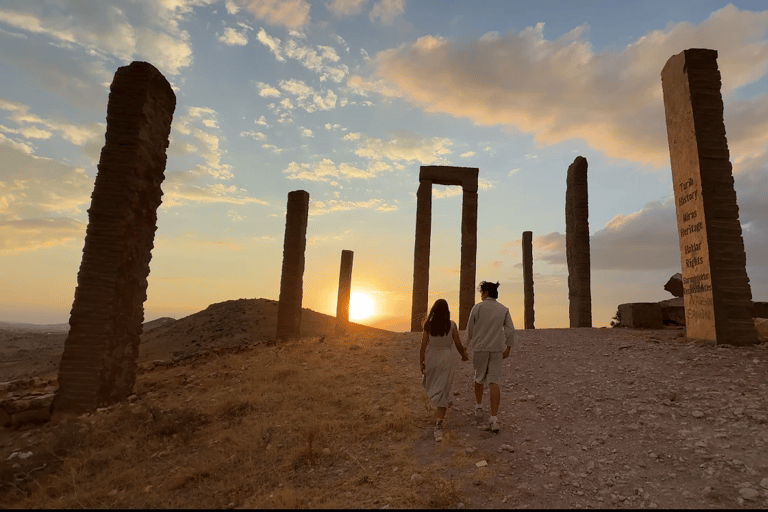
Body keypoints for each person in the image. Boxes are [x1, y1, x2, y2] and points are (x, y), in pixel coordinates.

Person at [466, 281, 515, 433]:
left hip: (480, 348)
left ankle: (479, 407)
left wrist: (465, 347)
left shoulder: (478, 307)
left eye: (481, 292)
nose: (481, 295)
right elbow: (510, 330)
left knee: (479, 378)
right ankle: (494, 418)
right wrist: (508, 348)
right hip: (496, 349)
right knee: (494, 381)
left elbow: (470, 329)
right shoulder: (503, 309)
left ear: (485, 292)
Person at [419, 298, 469, 441]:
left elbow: (422, 347)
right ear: (447, 310)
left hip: (431, 357)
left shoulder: (428, 325)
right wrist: (464, 355)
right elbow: (458, 344)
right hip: (446, 358)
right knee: (443, 389)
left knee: (436, 386)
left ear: (433, 310)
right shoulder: (452, 325)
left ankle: (438, 412)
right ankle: (438, 427)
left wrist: (420, 363)